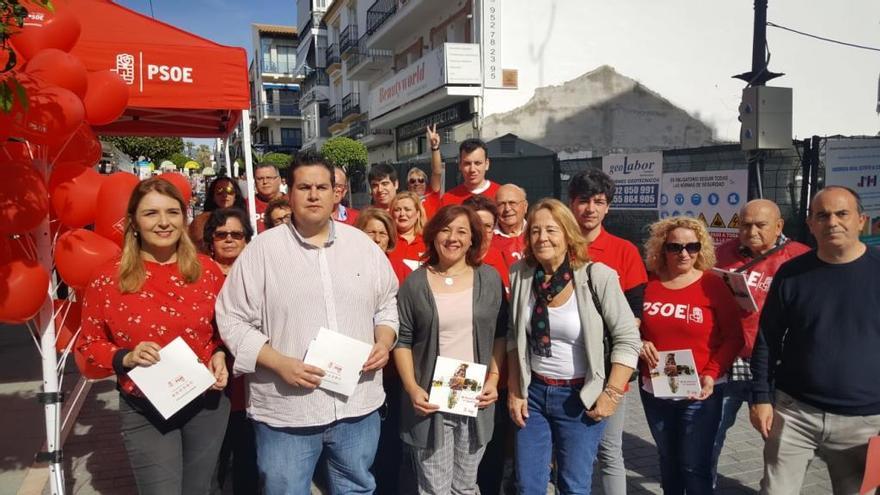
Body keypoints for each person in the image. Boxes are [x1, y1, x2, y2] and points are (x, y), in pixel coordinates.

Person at [215, 151, 399, 494]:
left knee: (357, 488)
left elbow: (387, 304)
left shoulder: (364, 247)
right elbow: (232, 319)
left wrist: (384, 341)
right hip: (288, 411)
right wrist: (279, 363)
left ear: (336, 193)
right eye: (304, 187)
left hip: (356, 405)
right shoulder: (262, 252)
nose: (314, 195)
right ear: (290, 192)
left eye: (321, 187)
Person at [77, 178, 229, 495]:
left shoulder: (207, 271)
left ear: (184, 218)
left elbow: (224, 332)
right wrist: (125, 357)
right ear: (133, 221)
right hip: (144, 407)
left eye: (172, 212)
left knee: (199, 489)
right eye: (151, 214)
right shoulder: (108, 277)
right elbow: (89, 344)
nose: (163, 222)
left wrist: (219, 355)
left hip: (206, 403)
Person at [750, 186, 880, 494]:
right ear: (810, 225)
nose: (832, 222)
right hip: (794, 413)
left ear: (861, 220)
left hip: (865, 422)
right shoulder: (791, 274)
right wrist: (760, 397)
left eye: (842, 214)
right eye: (822, 215)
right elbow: (767, 337)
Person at [507, 198, 641, 495]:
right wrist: (516, 390)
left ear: (568, 234)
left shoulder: (598, 276)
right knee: (528, 485)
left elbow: (627, 339)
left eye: (552, 230)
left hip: (580, 397)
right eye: (536, 231)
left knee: (573, 485)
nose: (543, 238)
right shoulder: (521, 274)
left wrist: (612, 394)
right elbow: (513, 337)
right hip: (535, 395)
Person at [395, 204, 508, 494]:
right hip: (431, 399)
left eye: (462, 231)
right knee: (434, 487)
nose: (452, 238)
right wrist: (410, 387)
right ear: (433, 235)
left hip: (474, 396)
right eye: (445, 229)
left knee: (466, 485)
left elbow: (499, 333)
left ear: (473, 239)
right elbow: (403, 340)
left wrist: (494, 379)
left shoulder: (490, 279)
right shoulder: (415, 283)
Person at [639, 216, 744, 494]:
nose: (684, 253)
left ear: (701, 249)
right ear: (662, 249)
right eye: (675, 247)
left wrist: (711, 374)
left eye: (692, 246)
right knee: (668, 462)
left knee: (694, 466)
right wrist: (639, 341)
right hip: (655, 389)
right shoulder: (648, 284)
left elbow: (734, 337)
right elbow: (629, 324)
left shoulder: (713, 285)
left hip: (700, 391)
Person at [710, 199, 810, 482]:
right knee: (711, 432)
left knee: (777, 439)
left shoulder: (799, 258)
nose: (751, 231)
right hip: (729, 359)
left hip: (773, 365)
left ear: (779, 226)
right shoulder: (723, 252)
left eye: (760, 225)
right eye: (745, 224)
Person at [568, 168, 648, 495]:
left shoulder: (624, 251)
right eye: (583, 200)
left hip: (607, 371)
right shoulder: (557, 247)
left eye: (598, 201)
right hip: (562, 368)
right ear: (571, 204)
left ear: (607, 207)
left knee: (608, 451)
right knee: (569, 452)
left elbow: (634, 316)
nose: (590, 208)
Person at [202, 208, 258, 494]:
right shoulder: (198, 274)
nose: (229, 240)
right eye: (221, 234)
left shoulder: (256, 273)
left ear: (247, 240)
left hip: (251, 378)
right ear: (211, 239)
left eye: (236, 234)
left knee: (248, 455)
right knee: (214, 461)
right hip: (211, 377)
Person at [463, 195, 510, 292]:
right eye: (476, 225)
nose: (481, 232)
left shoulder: (505, 259)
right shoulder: (450, 261)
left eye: (488, 226)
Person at [355, 207, 411, 284]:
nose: (377, 239)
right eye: (371, 233)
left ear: (390, 238)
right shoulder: (350, 265)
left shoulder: (400, 269)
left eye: (382, 234)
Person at [189, 176, 246, 250]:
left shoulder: (244, 218)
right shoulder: (201, 221)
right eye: (219, 191)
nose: (225, 195)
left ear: (236, 196)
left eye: (229, 191)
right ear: (213, 196)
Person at [440, 139, 500, 206]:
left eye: (477, 163)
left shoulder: (501, 195)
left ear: (487, 164)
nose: (472, 169)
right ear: (460, 165)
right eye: (467, 164)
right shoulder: (447, 199)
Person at [407, 124, 445, 219]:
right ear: (408, 185)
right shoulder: (405, 201)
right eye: (412, 181)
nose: (417, 183)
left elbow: (437, 172)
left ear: (426, 183)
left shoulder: (432, 194)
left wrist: (435, 147)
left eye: (421, 180)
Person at [388, 191, 427, 271]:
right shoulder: (387, 241)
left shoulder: (428, 242)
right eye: (397, 210)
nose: (402, 213)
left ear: (417, 214)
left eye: (407, 209)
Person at [492, 184, 528, 268]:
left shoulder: (536, 233)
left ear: (525, 206)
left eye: (512, 203)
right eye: (501, 204)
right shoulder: (487, 238)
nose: (507, 209)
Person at [253, 163, 287, 233]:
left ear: (279, 180)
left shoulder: (292, 202)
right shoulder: (246, 204)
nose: (265, 182)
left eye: (269, 178)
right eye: (260, 179)